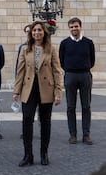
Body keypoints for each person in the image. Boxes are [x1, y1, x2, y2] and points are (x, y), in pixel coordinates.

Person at [13, 21, 62, 167]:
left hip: (46, 89)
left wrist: (58, 92)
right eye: (34, 30)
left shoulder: (51, 49)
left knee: (45, 122)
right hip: (29, 89)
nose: (37, 33)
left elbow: (57, 71)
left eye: (39, 30)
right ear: (31, 33)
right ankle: (28, 155)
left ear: (44, 32)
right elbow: (20, 71)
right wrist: (16, 91)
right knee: (27, 120)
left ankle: (44, 153)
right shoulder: (25, 49)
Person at [59, 17, 95, 145]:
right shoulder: (64, 43)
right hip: (70, 76)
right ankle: (72, 135)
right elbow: (61, 60)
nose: (74, 29)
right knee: (70, 107)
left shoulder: (88, 42)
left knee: (86, 106)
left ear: (80, 27)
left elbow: (92, 59)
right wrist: (69, 70)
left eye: (76, 26)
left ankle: (86, 134)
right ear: (69, 28)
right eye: (72, 27)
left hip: (85, 75)